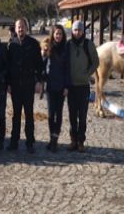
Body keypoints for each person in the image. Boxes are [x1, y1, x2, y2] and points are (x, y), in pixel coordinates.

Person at [6, 18, 44, 153]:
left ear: (26, 28)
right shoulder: (11, 45)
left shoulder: (34, 44)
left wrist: (39, 81)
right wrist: (8, 84)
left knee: (29, 114)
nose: (20, 29)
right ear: (15, 29)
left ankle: (30, 142)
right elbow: (8, 67)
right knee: (16, 115)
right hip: (15, 86)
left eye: (22, 27)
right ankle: (14, 141)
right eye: (18, 27)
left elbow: (40, 65)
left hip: (29, 85)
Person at [66, 21, 99, 152]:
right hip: (71, 86)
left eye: (79, 30)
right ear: (72, 31)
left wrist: (88, 74)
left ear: (83, 32)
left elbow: (96, 62)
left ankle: (81, 141)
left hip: (83, 86)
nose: (77, 32)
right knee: (72, 115)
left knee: (83, 115)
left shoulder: (88, 44)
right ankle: (73, 140)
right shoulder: (68, 45)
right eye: (75, 30)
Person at [41, 25, 69, 153]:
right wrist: (43, 55)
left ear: (63, 36)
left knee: (59, 114)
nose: (58, 36)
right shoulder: (48, 48)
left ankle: (54, 141)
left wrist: (67, 86)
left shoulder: (66, 49)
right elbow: (43, 66)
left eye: (60, 34)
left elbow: (69, 70)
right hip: (50, 86)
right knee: (51, 115)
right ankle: (52, 138)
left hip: (62, 86)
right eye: (56, 34)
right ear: (53, 34)